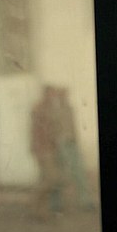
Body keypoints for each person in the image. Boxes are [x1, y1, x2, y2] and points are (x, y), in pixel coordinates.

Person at [31, 86, 95, 219]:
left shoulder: (66, 109)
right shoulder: (43, 109)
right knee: (54, 177)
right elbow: (40, 131)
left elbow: (70, 128)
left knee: (73, 174)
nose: (61, 97)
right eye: (58, 94)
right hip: (54, 147)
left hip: (64, 145)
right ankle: (49, 204)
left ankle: (81, 201)